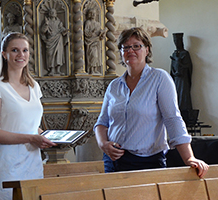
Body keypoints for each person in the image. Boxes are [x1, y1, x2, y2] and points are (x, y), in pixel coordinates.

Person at [94, 27, 208, 178]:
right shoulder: (114, 85)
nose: (131, 50)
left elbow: (172, 119)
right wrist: (103, 144)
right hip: (113, 161)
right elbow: (102, 122)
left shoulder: (159, 78)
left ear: (146, 50)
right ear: (121, 52)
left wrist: (189, 158)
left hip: (146, 162)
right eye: (126, 47)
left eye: (136, 46)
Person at [0, 32, 56, 199]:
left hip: (33, 160)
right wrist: (31, 138)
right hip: (9, 162)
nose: (21, 55)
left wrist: (46, 136)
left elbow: (31, 125)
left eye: (25, 50)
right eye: (15, 50)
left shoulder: (34, 86)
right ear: (4, 54)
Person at [170, 32, 194, 122]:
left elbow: (188, 67)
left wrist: (179, 63)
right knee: (175, 95)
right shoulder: (174, 54)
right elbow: (172, 67)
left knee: (184, 96)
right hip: (176, 79)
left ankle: (185, 112)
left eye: (178, 41)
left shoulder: (185, 53)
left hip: (183, 79)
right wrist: (174, 72)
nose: (177, 43)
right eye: (175, 41)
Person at [40, 8, 69, 76]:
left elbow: (62, 29)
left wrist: (65, 31)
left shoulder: (59, 22)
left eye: (54, 12)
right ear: (49, 13)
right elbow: (43, 31)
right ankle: (52, 70)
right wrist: (46, 25)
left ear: (56, 14)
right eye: (51, 12)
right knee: (50, 55)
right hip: (50, 40)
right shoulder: (47, 22)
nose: (53, 13)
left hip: (58, 39)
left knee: (58, 54)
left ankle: (58, 70)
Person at [84, 9, 105, 75]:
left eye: (94, 13)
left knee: (97, 56)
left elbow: (100, 34)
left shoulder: (98, 24)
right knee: (93, 55)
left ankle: (95, 69)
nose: (93, 15)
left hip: (97, 42)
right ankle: (91, 70)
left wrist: (102, 34)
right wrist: (92, 33)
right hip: (90, 42)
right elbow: (86, 32)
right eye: (91, 13)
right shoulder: (88, 22)